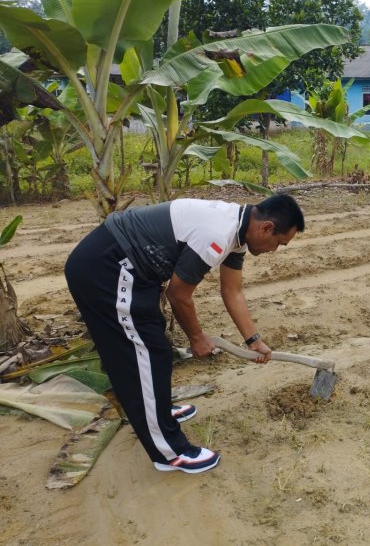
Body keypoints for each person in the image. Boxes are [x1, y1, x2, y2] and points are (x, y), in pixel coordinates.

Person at [64, 194, 304, 474]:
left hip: (124, 268)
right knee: (147, 354)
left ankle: (158, 414)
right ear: (266, 228)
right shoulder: (218, 232)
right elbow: (178, 294)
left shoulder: (237, 231)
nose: (274, 250)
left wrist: (254, 340)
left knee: (153, 348)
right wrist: (197, 337)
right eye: (279, 243)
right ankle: (170, 452)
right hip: (106, 266)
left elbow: (232, 290)